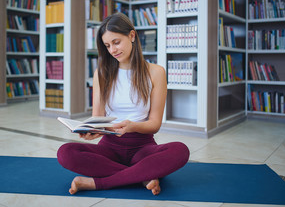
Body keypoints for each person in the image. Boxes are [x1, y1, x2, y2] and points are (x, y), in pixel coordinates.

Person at [57, 12, 189, 196]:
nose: (112, 50)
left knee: (180, 151)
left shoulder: (156, 72)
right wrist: (91, 131)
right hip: (109, 147)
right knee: (65, 152)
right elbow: (98, 118)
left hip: (143, 148)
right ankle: (142, 176)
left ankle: (99, 183)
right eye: (107, 45)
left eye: (116, 42)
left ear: (132, 36)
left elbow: (155, 124)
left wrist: (132, 126)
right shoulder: (101, 74)